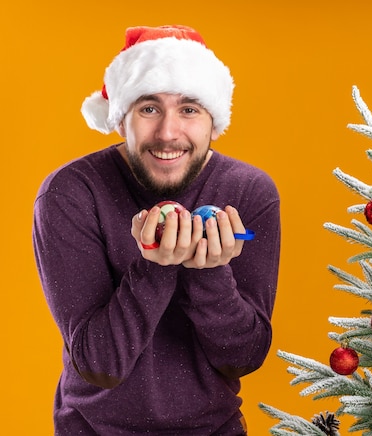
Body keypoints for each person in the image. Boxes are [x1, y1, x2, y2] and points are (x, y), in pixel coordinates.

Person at [32, 25, 280, 435]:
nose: (168, 133)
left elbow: (244, 357)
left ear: (213, 121)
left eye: (189, 109)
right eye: (149, 108)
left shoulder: (249, 192)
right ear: (120, 118)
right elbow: (100, 365)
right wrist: (157, 267)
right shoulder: (70, 193)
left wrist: (208, 271)